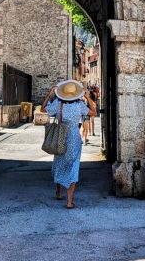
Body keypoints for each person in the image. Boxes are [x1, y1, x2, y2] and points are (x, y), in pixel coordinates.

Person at [41, 80, 97, 209]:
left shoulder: (58, 104)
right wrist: (87, 96)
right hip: (74, 138)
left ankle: (59, 193)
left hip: (61, 137)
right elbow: (93, 112)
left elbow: (43, 109)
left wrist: (50, 95)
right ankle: (69, 201)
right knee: (73, 166)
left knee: (60, 164)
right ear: (76, 94)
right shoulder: (79, 105)